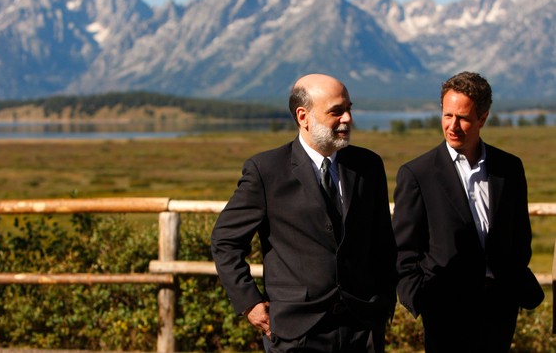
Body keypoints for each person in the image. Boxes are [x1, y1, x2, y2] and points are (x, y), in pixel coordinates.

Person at [211, 73, 398, 352]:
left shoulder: (369, 165)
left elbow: (383, 241)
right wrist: (249, 302)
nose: (347, 119)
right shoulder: (266, 171)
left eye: (349, 109)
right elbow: (225, 240)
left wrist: (383, 302)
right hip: (295, 332)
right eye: (336, 111)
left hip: (363, 329)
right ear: (303, 116)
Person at [392, 71, 544, 352]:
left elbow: (520, 237)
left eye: (462, 118)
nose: (452, 126)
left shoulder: (509, 168)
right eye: (447, 115)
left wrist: (512, 285)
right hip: (445, 310)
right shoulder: (417, 174)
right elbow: (404, 249)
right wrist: (420, 298)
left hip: (500, 308)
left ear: (483, 118)